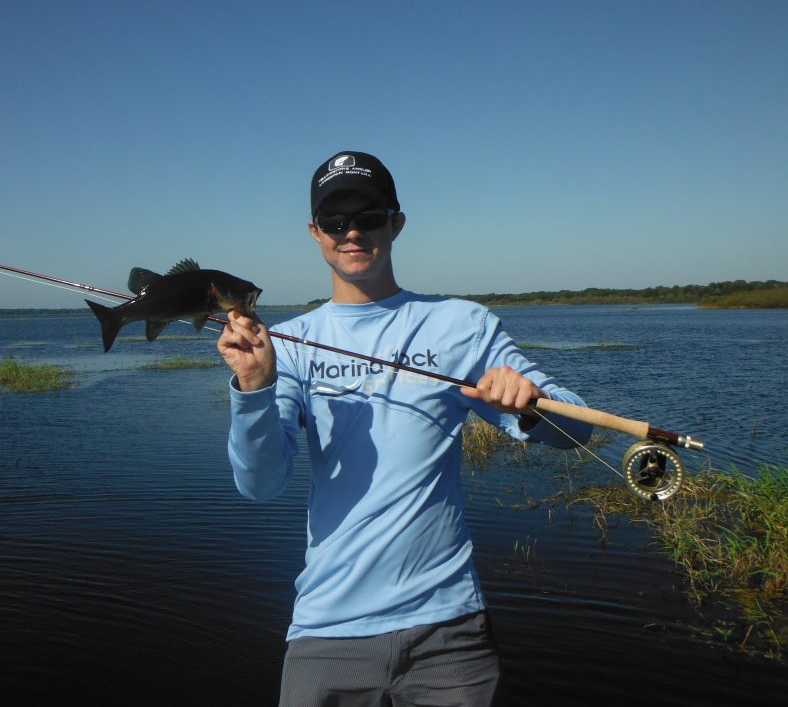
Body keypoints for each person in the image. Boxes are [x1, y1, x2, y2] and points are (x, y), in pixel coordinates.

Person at [216, 151, 592, 707]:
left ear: (396, 222)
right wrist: (254, 388)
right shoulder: (287, 344)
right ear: (314, 231)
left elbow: (575, 432)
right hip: (326, 628)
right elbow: (260, 485)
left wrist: (529, 405)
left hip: (450, 632)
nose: (352, 231)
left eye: (368, 216)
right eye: (336, 220)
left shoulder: (462, 323)